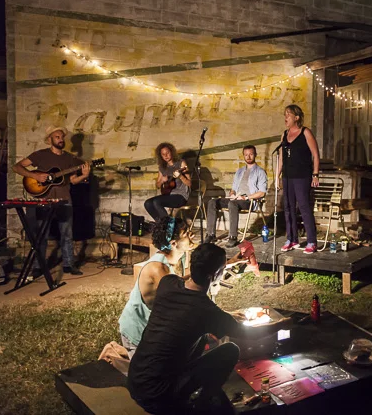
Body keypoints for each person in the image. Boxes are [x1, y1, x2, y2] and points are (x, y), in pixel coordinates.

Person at [127, 243, 288, 414]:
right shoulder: (205, 310)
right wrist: (282, 323)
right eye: (221, 270)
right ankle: (202, 403)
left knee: (203, 338)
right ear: (214, 275)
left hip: (136, 380)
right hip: (158, 395)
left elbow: (187, 279)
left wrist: (227, 263)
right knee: (230, 351)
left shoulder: (167, 284)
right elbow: (251, 335)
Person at [12, 126, 90, 275]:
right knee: (41, 235)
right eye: (57, 137)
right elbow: (16, 167)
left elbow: (73, 180)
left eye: (62, 137)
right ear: (49, 140)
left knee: (67, 234)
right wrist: (35, 176)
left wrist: (84, 175)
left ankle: (68, 265)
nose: (61, 140)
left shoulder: (70, 158)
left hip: (64, 199)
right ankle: (38, 266)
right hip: (44, 200)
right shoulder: (40, 155)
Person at [118, 216, 195, 357]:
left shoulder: (179, 257)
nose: (192, 235)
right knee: (149, 371)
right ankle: (114, 354)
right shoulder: (158, 269)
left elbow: (180, 281)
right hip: (139, 331)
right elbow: (179, 300)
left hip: (155, 328)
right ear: (173, 243)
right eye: (186, 234)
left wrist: (225, 264)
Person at [276, 105, 320, 255]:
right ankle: (292, 239)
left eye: (288, 115)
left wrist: (315, 174)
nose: (285, 118)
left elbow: (315, 154)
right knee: (288, 208)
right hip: (288, 176)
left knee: (304, 207)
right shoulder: (284, 135)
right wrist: (277, 176)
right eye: (285, 115)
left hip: (302, 176)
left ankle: (312, 241)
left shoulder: (305, 132)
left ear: (296, 117)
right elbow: (281, 157)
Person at [205, 145, 267, 248]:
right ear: (243, 156)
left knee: (232, 204)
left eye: (251, 154)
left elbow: (262, 192)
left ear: (255, 155)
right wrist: (232, 194)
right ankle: (210, 234)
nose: (248, 157)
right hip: (235, 199)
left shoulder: (260, 172)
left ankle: (233, 237)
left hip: (249, 201)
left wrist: (245, 197)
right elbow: (233, 188)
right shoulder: (239, 171)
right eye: (246, 155)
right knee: (212, 202)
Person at [144, 142, 191, 222]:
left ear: (171, 152)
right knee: (147, 203)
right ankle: (160, 223)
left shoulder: (181, 163)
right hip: (168, 195)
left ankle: (167, 225)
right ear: (161, 156)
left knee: (157, 202)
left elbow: (189, 183)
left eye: (167, 153)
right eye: (163, 154)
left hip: (181, 196)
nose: (166, 156)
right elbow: (158, 185)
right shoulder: (162, 167)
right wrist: (162, 181)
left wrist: (180, 176)